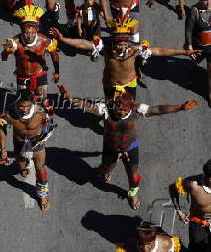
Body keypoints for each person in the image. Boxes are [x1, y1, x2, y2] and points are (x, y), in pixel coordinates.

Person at [60, 86, 199, 210]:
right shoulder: (106, 109)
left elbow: (158, 109)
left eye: (123, 110)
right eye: (118, 107)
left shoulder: (137, 110)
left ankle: (133, 194)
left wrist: (179, 107)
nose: (119, 111)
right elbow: (88, 106)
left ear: (130, 107)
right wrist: (71, 99)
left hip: (130, 148)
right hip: (111, 146)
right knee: (105, 168)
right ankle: (106, 170)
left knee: (133, 176)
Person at [50, 19, 202, 100]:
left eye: (125, 43)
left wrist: (185, 52)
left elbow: (160, 50)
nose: (122, 46)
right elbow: (84, 43)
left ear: (128, 42)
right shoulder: (105, 48)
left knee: (127, 109)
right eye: (119, 43)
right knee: (110, 111)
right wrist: (63, 39)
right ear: (113, 42)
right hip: (110, 84)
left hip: (130, 84)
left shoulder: (135, 49)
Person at [0, 90, 55, 211]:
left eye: (27, 106)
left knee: (41, 169)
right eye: (21, 106)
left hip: (37, 143)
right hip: (19, 142)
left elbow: (50, 122)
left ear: (32, 103)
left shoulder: (41, 111)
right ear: (17, 103)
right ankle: (25, 166)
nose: (24, 109)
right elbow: (2, 129)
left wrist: (46, 134)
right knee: (21, 167)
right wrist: (3, 150)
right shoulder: (9, 112)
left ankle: (43, 195)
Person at [2, 4, 59, 102]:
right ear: (22, 30)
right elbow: (4, 58)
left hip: (39, 74)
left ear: (37, 30)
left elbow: (55, 55)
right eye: (26, 33)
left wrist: (57, 71)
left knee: (42, 98)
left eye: (32, 33)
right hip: (22, 75)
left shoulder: (44, 40)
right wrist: (7, 52)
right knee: (23, 101)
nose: (29, 36)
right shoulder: (14, 42)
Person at [169, 159, 211, 252]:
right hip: (199, 225)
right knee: (197, 249)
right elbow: (173, 188)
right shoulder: (193, 185)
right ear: (209, 178)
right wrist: (180, 212)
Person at [185, 0, 211, 107]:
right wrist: (190, 48)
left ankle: (210, 94)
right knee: (195, 62)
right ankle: (192, 69)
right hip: (198, 46)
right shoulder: (194, 11)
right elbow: (189, 31)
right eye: (206, 0)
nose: (209, 3)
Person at [115, 221, 182, 252]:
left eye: (148, 243)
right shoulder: (132, 242)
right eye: (141, 243)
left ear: (153, 238)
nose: (144, 247)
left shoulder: (166, 242)